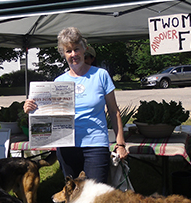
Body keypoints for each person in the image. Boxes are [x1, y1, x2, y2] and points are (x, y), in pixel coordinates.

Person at [24, 27, 128, 184]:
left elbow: (114, 112)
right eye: (68, 51)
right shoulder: (58, 82)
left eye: (76, 49)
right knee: (73, 196)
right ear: (63, 54)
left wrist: (120, 144)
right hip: (66, 146)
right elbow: (49, 116)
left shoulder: (101, 75)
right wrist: (32, 108)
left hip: (95, 143)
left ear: (84, 48)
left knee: (95, 196)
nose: (73, 54)